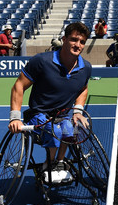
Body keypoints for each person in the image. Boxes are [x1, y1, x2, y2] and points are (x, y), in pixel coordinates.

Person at [8, 22, 92, 183]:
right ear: (64, 39)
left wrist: (78, 111)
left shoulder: (86, 67)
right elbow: (19, 86)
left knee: (70, 129)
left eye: (82, 42)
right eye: (74, 39)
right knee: (55, 131)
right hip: (38, 114)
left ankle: (59, 163)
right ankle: (49, 164)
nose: (78, 45)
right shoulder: (41, 61)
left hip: (63, 115)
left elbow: (83, 89)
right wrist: (15, 117)